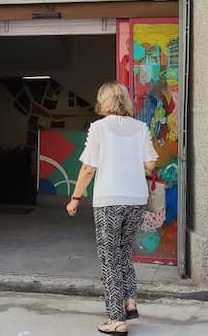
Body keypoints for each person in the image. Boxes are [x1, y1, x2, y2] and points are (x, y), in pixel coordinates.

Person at [67, 81, 158, 335]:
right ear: (125, 100)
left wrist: (75, 198)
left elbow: (88, 168)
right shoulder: (141, 127)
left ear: (103, 101)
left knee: (109, 257)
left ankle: (116, 319)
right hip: (136, 199)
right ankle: (129, 302)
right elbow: (150, 164)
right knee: (124, 252)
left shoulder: (99, 128)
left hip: (109, 200)